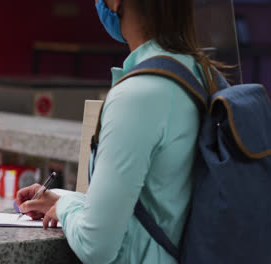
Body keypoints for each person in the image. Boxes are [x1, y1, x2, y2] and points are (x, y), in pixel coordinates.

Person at [16, 0, 224, 263]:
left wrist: (65, 207)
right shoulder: (203, 74)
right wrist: (61, 200)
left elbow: (96, 246)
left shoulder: (137, 95)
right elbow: (161, 201)